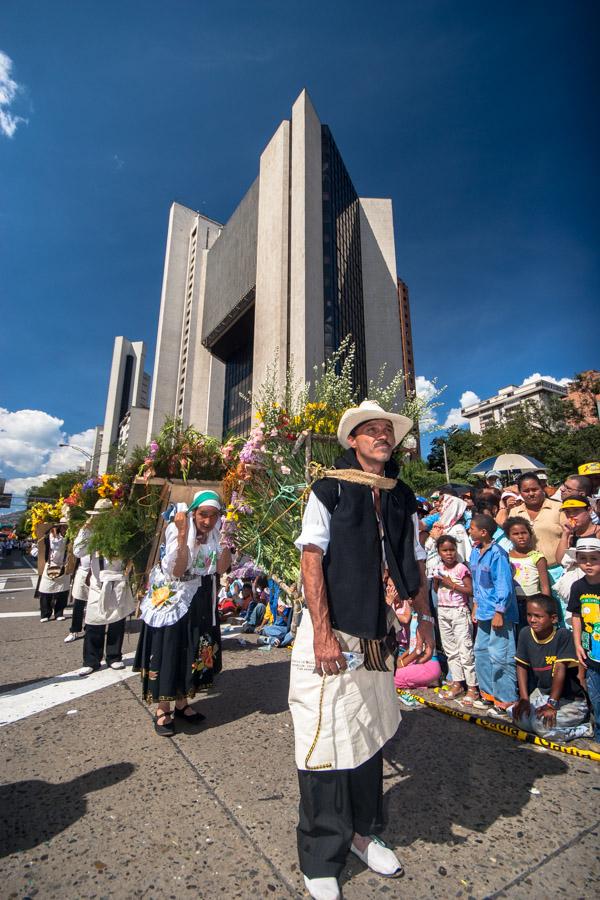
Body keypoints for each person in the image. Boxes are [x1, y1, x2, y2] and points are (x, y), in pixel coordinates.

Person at [289, 400, 434, 900]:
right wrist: (323, 633)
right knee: (326, 736)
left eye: (386, 431)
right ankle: (321, 854)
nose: (381, 437)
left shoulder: (401, 495)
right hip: (333, 633)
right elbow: (312, 558)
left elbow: (415, 557)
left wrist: (425, 618)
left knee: (369, 733)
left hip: (378, 635)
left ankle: (361, 833)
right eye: (370, 431)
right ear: (352, 441)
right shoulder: (329, 488)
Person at [133, 490, 231, 736]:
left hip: (198, 597)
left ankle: (182, 703)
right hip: (174, 598)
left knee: (192, 649)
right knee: (171, 649)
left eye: (213, 515)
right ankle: (163, 709)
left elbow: (220, 567)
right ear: (193, 513)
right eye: (202, 514)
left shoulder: (215, 535)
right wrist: (183, 532)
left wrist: (228, 540)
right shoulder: (177, 531)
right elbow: (177, 571)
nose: (207, 521)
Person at [512, 594, 589, 741]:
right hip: (542, 693)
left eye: (538, 616)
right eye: (529, 615)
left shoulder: (563, 635)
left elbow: (560, 668)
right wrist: (524, 698)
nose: (532, 620)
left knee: (541, 727)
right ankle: (545, 721)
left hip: (568, 699)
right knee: (518, 717)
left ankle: (584, 728)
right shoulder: (525, 634)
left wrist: (552, 704)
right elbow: (521, 665)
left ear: (553, 618)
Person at [74, 500, 135, 677]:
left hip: (117, 581)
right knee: (94, 622)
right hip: (98, 583)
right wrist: (86, 527)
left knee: (117, 621)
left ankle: (114, 656)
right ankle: (91, 660)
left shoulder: (121, 532)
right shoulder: (91, 533)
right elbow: (78, 551)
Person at [469, 513, 519, 717]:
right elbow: (476, 582)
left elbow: (503, 584)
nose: (469, 531)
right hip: (482, 610)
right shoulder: (474, 551)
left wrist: (499, 611)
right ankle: (488, 694)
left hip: (499, 613)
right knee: (481, 651)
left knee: (501, 656)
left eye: (472, 528)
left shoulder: (498, 554)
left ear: (483, 532)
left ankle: (505, 699)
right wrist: (475, 605)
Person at [432, 535, 484, 706]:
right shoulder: (438, 568)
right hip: (443, 611)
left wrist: (451, 584)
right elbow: (435, 588)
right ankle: (457, 682)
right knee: (450, 650)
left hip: (459, 611)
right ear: (439, 552)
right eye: (445, 550)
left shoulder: (461, 569)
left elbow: (470, 590)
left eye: (452, 550)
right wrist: (438, 581)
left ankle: (472, 687)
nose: (449, 554)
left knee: (465, 650)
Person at [567, 537, 600, 750]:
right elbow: (577, 616)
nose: (588, 564)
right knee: (596, 696)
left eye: (594, 559)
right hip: (591, 652)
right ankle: (598, 736)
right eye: (583, 559)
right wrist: (577, 644)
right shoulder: (578, 587)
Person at [512, 473, 563, 589]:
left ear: (542, 488)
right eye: (526, 491)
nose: (531, 494)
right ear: (520, 493)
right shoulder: (514, 512)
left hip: (557, 571)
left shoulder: (558, 508)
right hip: (527, 574)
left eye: (535, 489)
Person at [504, 516, 551, 628]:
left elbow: (545, 587)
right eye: (515, 534)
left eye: (524, 533)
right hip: (512, 603)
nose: (521, 537)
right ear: (508, 536)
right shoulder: (505, 557)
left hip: (532, 603)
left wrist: (546, 608)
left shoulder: (537, 557)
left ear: (530, 534)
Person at [393, 599, 442, 693]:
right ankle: (422, 682)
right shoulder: (415, 615)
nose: (408, 599)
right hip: (417, 661)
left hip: (428, 664)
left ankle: (425, 680)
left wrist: (402, 663)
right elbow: (413, 646)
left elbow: (420, 649)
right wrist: (401, 659)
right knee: (392, 672)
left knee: (392, 678)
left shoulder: (424, 619)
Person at [35, 520, 73, 622]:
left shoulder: (70, 537)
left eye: (67, 527)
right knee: (45, 591)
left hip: (63, 566)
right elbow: (43, 538)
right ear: (59, 527)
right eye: (63, 527)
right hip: (50, 565)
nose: (65, 529)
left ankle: (59, 612)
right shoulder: (49, 536)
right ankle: (45, 613)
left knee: (63, 592)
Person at [64, 541, 91, 643]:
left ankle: (89, 629)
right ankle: (74, 630)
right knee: (78, 603)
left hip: (97, 574)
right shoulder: (82, 536)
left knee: (92, 605)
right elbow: (76, 552)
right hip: (82, 572)